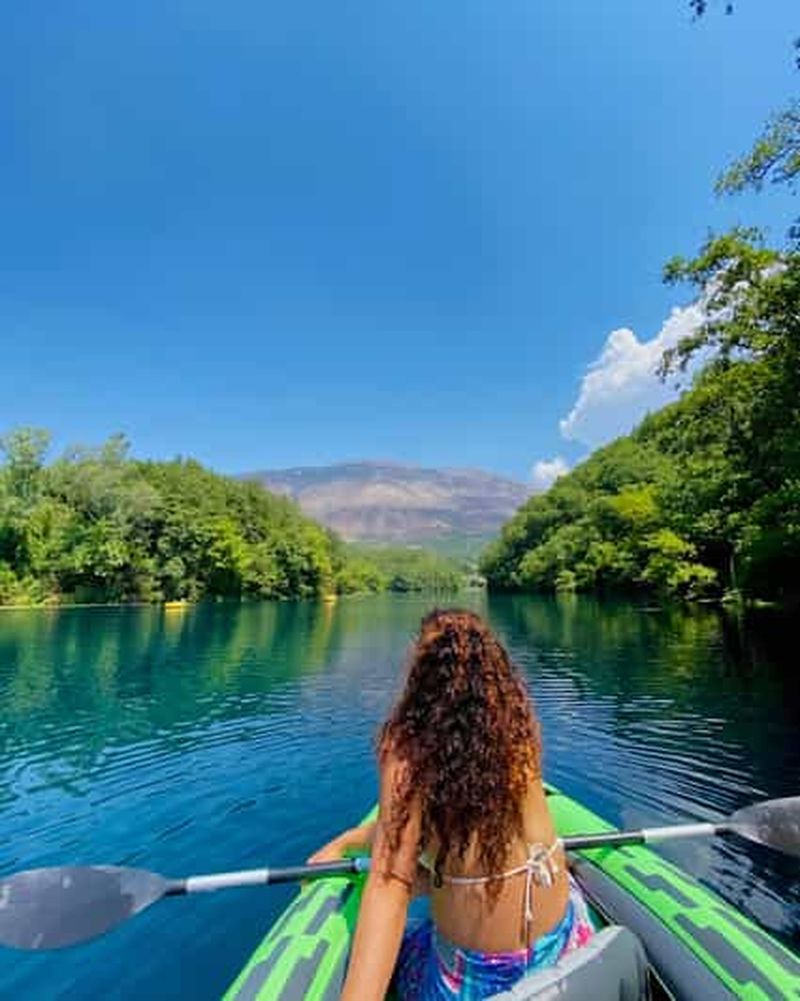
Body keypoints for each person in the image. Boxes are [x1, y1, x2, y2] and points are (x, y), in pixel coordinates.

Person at [308, 609, 593, 1000]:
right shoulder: (519, 727)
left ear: (420, 673)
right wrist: (352, 840)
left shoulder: (407, 753)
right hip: (567, 941)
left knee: (408, 939)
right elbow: (465, 835)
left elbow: (391, 882)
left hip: (478, 981)